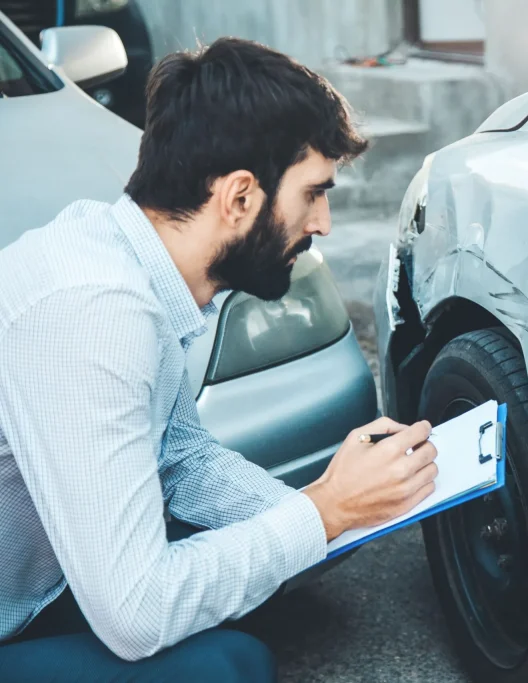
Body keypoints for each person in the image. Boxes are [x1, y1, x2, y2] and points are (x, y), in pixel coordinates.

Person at [0, 37, 439, 682]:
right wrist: (322, 516)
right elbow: (138, 615)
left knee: (249, 587)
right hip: (22, 608)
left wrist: (329, 503)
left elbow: (182, 460)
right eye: (313, 193)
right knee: (227, 664)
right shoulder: (95, 313)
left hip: (40, 586)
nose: (323, 224)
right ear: (238, 197)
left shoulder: (134, 262)